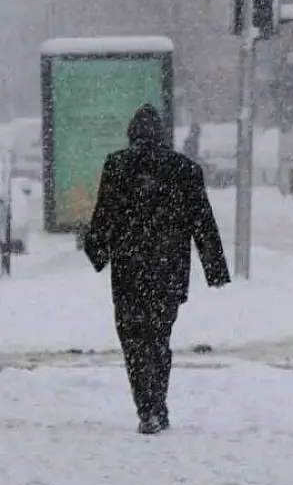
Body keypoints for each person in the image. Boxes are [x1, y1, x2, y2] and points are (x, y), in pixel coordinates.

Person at [84, 104, 230, 435]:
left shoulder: (118, 165)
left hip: (128, 269)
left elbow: (104, 214)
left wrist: (97, 250)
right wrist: (215, 269)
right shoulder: (185, 169)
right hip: (169, 270)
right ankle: (159, 404)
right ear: (162, 136)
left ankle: (145, 408)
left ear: (132, 134)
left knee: (133, 339)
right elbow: (203, 222)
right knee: (159, 338)